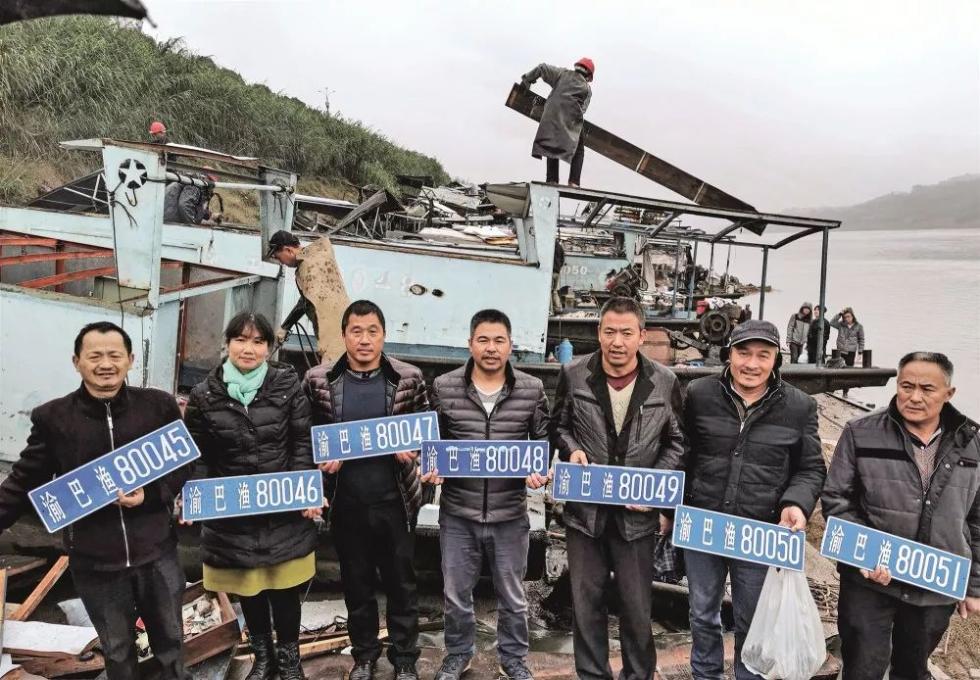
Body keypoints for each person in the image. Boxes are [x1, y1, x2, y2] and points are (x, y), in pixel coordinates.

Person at [0, 322, 191, 680]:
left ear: (130, 359)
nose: (105, 364)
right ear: (77, 362)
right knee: (117, 650)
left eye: (114, 355)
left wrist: (151, 496)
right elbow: (24, 480)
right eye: (95, 356)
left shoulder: (158, 407)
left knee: (171, 642)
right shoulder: (54, 419)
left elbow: (183, 464)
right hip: (95, 562)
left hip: (157, 553)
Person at [680, 320, 826, 680]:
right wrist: (672, 507)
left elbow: (810, 468)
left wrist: (796, 504)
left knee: (754, 620)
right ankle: (705, 674)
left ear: (776, 360)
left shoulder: (800, 407)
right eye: (743, 353)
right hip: (704, 525)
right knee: (702, 614)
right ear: (728, 354)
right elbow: (682, 453)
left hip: (759, 532)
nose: (752, 364)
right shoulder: (698, 394)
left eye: (763, 355)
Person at [822, 352, 980, 680]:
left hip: (936, 582)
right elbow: (837, 500)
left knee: (913, 670)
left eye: (927, 389)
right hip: (869, 583)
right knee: (862, 668)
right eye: (907, 386)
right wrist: (864, 555)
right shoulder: (860, 432)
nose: (915, 397)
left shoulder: (973, 443)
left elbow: (977, 520)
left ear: (949, 393)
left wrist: (974, 587)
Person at [551, 296, 685, 680]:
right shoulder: (574, 374)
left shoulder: (665, 381)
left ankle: (638, 674)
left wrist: (654, 488)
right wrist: (572, 450)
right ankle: (593, 674)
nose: (617, 342)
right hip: (585, 516)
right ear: (599, 333)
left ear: (642, 336)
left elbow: (678, 443)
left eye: (627, 333)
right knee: (586, 604)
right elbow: (559, 426)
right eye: (609, 332)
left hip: (636, 520)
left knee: (637, 608)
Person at [183, 312, 319, 680]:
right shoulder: (204, 394)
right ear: (227, 344)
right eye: (241, 340)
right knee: (250, 589)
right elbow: (197, 455)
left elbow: (302, 441)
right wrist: (196, 498)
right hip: (233, 512)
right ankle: (263, 658)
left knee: (285, 589)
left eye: (258, 341)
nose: (249, 348)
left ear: (269, 348)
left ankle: (289, 661)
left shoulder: (287, 386)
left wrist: (305, 489)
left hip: (282, 510)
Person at [424, 309, 550, 680]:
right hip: (458, 512)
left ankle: (514, 659)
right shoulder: (444, 387)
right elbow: (433, 443)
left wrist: (539, 472)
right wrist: (431, 468)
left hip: (509, 513)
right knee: (455, 594)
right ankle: (458, 654)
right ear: (470, 344)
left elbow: (543, 441)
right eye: (483, 340)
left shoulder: (531, 390)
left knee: (512, 596)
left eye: (498, 340)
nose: (491, 348)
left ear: (510, 345)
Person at [304, 300, 427, 680]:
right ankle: (364, 656)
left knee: (402, 584)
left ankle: (404, 659)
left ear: (383, 335)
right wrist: (320, 460)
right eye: (356, 331)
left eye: (372, 331)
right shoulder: (319, 381)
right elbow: (304, 435)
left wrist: (414, 450)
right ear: (344, 335)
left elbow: (428, 431)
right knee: (356, 585)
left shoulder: (408, 378)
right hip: (347, 503)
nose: (364, 340)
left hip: (396, 502)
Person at [520, 58, 594, 186]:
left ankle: (552, 180)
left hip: (551, 116)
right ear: (588, 75)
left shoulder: (561, 74)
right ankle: (574, 182)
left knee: (551, 143)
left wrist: (527, 79)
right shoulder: (587, 89)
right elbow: (582, 110)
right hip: (571, 119)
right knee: (579, 149)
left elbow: (542, 67)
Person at [266, 230, 317, 343]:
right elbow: (306, 299)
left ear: (288, 250)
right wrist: (285, 327)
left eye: (279, 258)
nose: (281, 262)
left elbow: (307, 300)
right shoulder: (312, 258)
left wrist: (285, 327)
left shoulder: (308, 267)